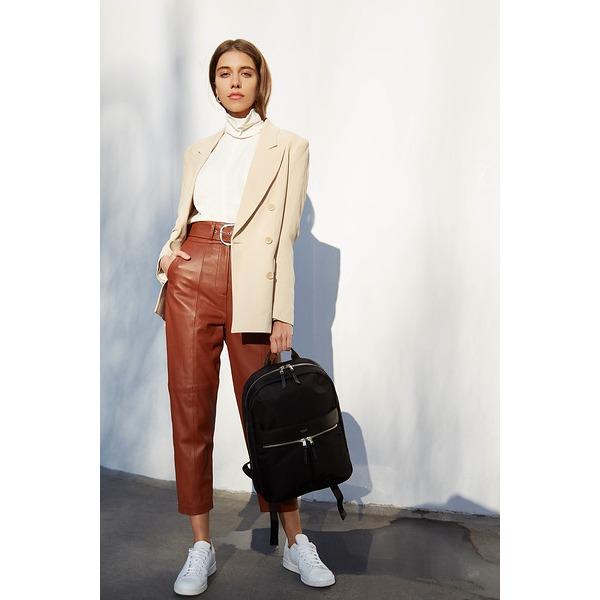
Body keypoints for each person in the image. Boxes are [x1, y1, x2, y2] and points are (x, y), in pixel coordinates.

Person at [153, 39, 336, 595]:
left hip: (252, 284)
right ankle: (201, 546)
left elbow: (286, 236)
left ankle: (296, 542)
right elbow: (184, 217)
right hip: (193, 277)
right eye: (224, 73)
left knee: (270, 416)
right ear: (214, 85)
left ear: (260, 82)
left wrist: (282, 313)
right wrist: (168, 258)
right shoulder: (199, 151)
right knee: (189, 411)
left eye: (245, 73)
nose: (234, 82)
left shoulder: (289, 147)